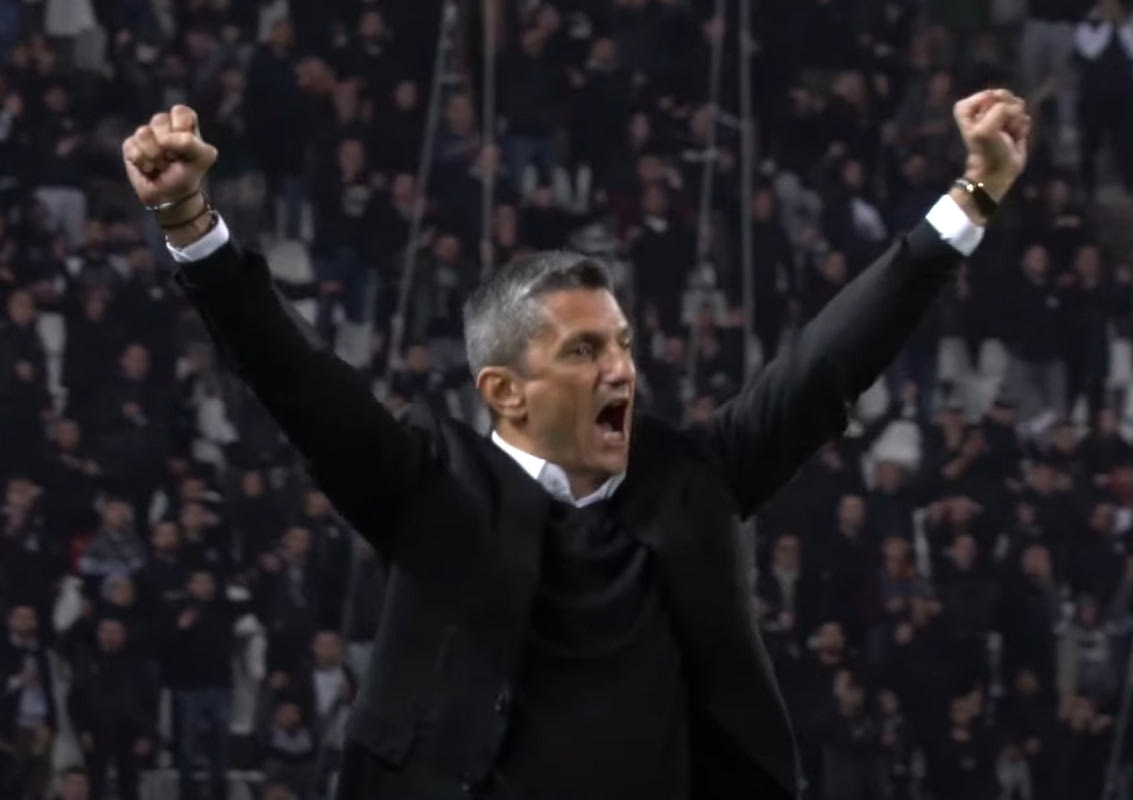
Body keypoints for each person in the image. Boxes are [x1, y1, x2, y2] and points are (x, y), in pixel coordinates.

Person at [121, 89, 1030, 799]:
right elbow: (295, 378)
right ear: (505, 392)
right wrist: (190, 223)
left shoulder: (692, 480)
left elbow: (827, 365)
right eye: (585, 351)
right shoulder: (434, 491)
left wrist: (974, 195)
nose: (622, 370)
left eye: (623, 345)